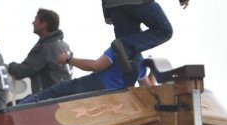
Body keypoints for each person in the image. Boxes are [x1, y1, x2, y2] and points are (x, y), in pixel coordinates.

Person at [19, 43, 147, 104]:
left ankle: (20, 108)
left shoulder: (118, 49)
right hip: (110, 100)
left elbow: (94, 66)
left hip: (95, 85)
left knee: (54, 92)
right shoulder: (141, 65)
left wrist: (68, 60)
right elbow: (147, 88)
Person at [7, 8, 71, 93]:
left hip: (48, 99)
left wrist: (10, 66)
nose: (33, 23)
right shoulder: (65, 47)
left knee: (15, 105)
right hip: (64, 97)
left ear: (44, 24)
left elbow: (22, 71)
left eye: (36, 20)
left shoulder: (46, 47)